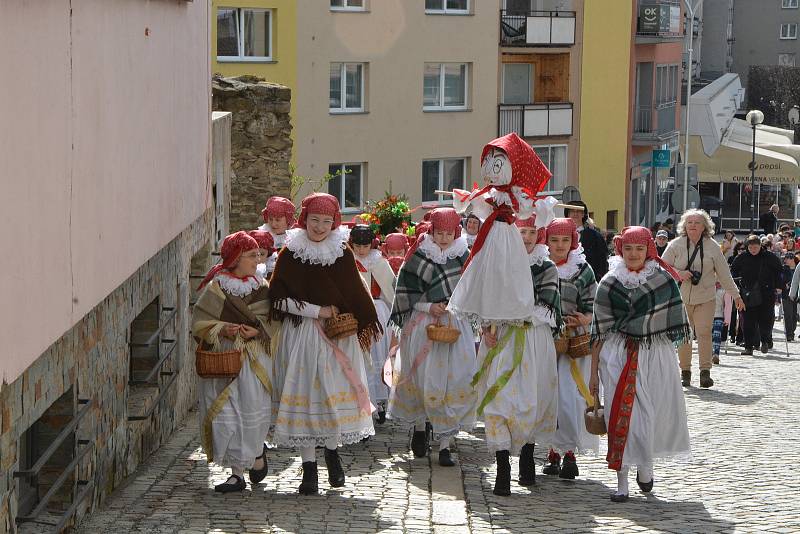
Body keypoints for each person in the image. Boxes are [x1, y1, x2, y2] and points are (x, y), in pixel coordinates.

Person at [446, 132, 554, 494]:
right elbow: (475, 208)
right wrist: (467, 202)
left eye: (499, 163)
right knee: (498, 399)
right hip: (498, 330)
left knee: (521, 401)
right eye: (488, 164)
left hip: (523, 336)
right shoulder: (491, 201)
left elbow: (530, 210)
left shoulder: (531, 252)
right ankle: (504, 466)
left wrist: (541, 209)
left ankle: (520, 457)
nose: (491, 171)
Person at [269, 193, 381, 495]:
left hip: (337, 338)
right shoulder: (292, 254)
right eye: (314, 220)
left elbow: (355, 294)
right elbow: (278, 299)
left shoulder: (341, 254)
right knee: (305, 395)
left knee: (332, 396)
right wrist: (316, 311)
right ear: (304, 219)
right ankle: (308, 470)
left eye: (326, 221)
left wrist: (347, 317)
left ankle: (332, 454)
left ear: (335, 223)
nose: (320, 226)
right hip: (303, 337)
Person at [589, 226, 691, 503]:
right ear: (621, 249)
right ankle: (621, 479)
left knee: (648, 414)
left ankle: (645, 466)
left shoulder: (662, 281)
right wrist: (593, 373)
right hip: (618, 354)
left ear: (648, 250)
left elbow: (675, 319)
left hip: (653, 354)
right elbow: (598, 330)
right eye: (629, 248)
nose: (634, 254)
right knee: (617, 413)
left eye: (639, 248)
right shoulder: (609, 282)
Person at [473, 203, 561, 496]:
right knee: (500, 402)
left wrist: (512, 312)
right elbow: (487, 299)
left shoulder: (546, 267)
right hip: (503, 341)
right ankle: (502, 468)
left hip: (533, 341)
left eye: (532, 231)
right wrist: (487, 325)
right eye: (521, 231)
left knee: (532, 400)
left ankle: (526, 459)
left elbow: (546, 309)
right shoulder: (499, 264)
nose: (526, 237)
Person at [388, 208, 477, 467]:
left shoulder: (463, 256)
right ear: (432, 231)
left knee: (451, 381)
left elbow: (471, 289)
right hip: (422, 324)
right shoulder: (418, 256)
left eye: (449, 233)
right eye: (439, 233)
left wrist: (452, 306)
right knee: (422, 377)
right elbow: (406, 292)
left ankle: (446, 444)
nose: (444, 238)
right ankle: (419, 426)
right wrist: (429, 307)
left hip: (453, 325)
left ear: (456, 232)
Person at [192, 231, 274, 493]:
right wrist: (223, 329)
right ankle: (236, 474)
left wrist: (258, 330)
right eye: (251, 256)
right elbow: (200, 323)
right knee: (228, 413)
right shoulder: (216, 289)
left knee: (250, 409)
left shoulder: (261, 287)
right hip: (224, 358)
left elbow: (274, 322)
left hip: (252, 358)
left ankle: (257, 452)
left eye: (258, 255)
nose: (257, 260)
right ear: (236, 258)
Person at [541, 217, 598, 480]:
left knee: (570, 399)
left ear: (573, 242)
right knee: (548, 397)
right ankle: (552, 451)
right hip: (544, 342)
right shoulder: (539, 266)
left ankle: (570, 454)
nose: (560, 245)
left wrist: (585, 318)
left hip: (573, 345)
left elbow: (594, 305)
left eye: (565, 240)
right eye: (554, 240)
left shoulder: (582, 270)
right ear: (547, 241)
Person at [661, 209, 744, 388]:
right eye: (689, 222)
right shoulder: (676, 244)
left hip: (706, 296)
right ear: (684, 225)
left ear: (704, 226)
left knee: (704, 332)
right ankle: (685, 372)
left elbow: (724, 274)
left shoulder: (712, 246)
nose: (693, 225)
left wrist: (736, 295)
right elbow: (661, 267)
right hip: (681, 297)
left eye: (697, 223)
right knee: (684, 335)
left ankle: (705, 372)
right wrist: (679, 273)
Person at [350, 224, 397, 425]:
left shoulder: (379, 262)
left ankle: (380, 402)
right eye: (358, 245)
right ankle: (362, 404)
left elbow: (391, 290)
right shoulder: (347, 260)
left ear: (372, 244)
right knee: (360, 359)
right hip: (355, 313)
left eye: (365, 245)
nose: (361, 250)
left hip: (378, 311)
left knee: (378, 355)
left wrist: (397, 314)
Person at [730, 235, 782, 355]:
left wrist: (779, 286)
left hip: (766, 293)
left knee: (766, 319)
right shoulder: (742, 257)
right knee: (748, 321)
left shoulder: (769, 257)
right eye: (751, 247)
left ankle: (764, 341)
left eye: (755, 247)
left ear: (760, 246)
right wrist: (735, 285)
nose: (753, 250)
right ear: (747, 247)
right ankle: (748, 347)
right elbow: (733, 271)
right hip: (747, 293)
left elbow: (778, 271)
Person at [564, 200, 609, 281]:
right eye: (572, 211)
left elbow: (602, 260)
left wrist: (598, 279)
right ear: (567, 214)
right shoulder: (561, 235)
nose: (575, 213)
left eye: (578, 211)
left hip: (589, 280)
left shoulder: (595, 236)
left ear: (583, 214)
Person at [258, 196, 296, 277]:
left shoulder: (295, 238)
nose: (273, 224)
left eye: (278, 220)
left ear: (288, 220)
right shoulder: (261, 236)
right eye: (270, 219)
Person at [711, 283, 732, 365]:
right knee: (713, 336)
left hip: (717, 315)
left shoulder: (725, 289)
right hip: (710, 316)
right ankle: (713, 353)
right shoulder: (707, 286)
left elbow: (728, 305)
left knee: (716, 335)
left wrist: (727, 318)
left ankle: (715, 354)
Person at [781, 252, 797, 342]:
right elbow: (780, 280)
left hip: (796, 295)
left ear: (792, 259)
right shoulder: (783, 269)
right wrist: (784, 285)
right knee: (788, 315)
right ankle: (789, 334)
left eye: (787, 258)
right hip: (786, 295)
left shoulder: (797, 269)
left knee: (794, 315)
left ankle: (792, 331)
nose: (785, 260)